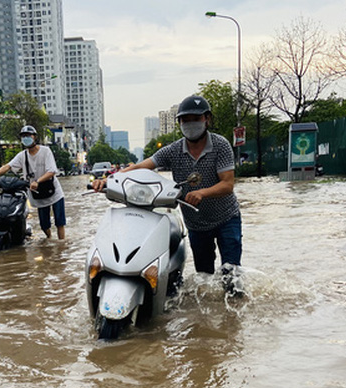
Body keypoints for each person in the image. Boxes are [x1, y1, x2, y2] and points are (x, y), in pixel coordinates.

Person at [93, 95, 242, 283]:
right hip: (196, 224)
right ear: (179, 123)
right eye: (185, 121)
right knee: (204, 279)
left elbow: (228, 184)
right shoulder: (173, 150)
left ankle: (234, 310)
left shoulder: (220, 145)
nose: (190, 124)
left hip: (226, 218)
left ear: (207, 119)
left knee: (232, 276)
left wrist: (201, 193)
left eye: (196, 119)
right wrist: (109, 180)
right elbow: (141, 166)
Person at [0, 125, 66, 240]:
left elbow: (51, 171)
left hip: (54, 192)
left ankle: (61, 245)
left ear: (35, 137)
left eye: (28, 136)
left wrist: (37, 181)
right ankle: (49, 239)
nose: (26, 138)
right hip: (37, 193)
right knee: (44, 225)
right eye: (23, 136)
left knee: (60, 222)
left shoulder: (46, 151)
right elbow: (7, 167)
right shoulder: (22, 155)